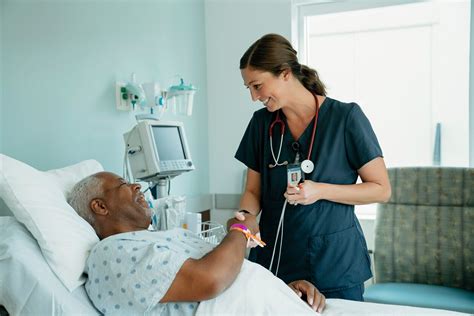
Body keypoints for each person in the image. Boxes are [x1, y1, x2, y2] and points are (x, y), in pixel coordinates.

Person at [234, 33, 391, 301]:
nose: (254, 96)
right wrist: (246, 218)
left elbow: (380, 190)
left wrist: (319, 190)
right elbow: (252, 191)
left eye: (257, 86)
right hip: (276, 262)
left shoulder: (346, 118)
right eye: (248, 88)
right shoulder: (262, 124)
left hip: (334, 266)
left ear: (285, 73)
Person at [68, 171, 326, 315]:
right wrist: (241, 229)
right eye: (123, 184)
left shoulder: (153, 238)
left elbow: (225, 277)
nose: (136, 185)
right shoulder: (112, 252)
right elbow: (210, 280)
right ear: (100, 206)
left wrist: (280, 290)